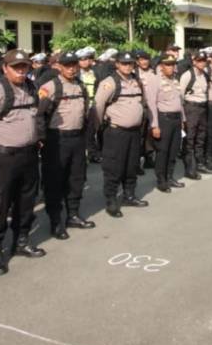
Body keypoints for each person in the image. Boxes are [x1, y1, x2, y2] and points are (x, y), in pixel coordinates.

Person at [0, 49, 45, 276]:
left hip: (29, 156)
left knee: (26, 202)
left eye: (24, 67)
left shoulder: (31, 87)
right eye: (16, 67)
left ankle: (21, 241)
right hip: (3, 158)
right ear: (5, 68)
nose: (21, 71)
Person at [37, 51, 95, 240]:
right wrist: (41, 139)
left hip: (77, 138)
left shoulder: (80, 86)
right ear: (59, 66)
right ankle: (55, 221)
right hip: (56, 140)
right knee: (55, 182)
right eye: (67, 65)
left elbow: (85, 110)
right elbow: (38, 115)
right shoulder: (50, 87)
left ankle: (73, 215)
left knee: (76, 178)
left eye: (74, 65)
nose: (71, 68)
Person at [95, 51, 148, 217]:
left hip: (134, 132)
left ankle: (129, 195)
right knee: (114, 167)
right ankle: (111, 200)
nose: (127, 66)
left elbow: (142, 102)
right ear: (117, 64)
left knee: (131, 165)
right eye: (124, 63)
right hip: (116, 131)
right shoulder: (109, 82)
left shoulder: (136, 81)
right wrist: (99, 129)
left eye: (130, 63)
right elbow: (98, 106)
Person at [146, 53, 185, 193]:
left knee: (174, 150)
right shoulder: (155, 80)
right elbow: (151, 104)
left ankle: (170, 177)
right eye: (167, 64)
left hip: (176, 119)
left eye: (173, 64)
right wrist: (155, 125)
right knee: (163, 151)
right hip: (164, 119)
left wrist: (183, 119)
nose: (171, 67)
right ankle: (161, 180)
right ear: (161, 66)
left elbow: (179, 102)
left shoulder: (175, 79)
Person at [179, 50, 212, 178]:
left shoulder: (205, 74)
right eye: (199, 61)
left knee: (201, 137)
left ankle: (200, 163)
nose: (202, 63)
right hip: (191, 108)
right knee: (190, 139)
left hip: (202, 108)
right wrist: (182, 116)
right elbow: (180, 95)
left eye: (204, 61)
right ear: (194, 61)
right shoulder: (187, 75)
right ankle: (189, 168)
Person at [77, 47, 102, 163]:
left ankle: (92, 153)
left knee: (91, 131)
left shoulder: (95, 72)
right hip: (80, 105)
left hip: (93, 104)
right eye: (81, 60)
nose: (84, 62)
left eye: (86, 59)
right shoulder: (76, 74)